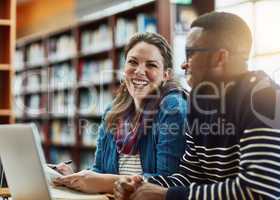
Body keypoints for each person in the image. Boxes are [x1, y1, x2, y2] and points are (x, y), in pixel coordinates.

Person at [114, 12, 280, 200]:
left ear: (220, 57)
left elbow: (257, 193)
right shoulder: (199, 103)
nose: (183, 64)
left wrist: (165, 194)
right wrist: (139, 184)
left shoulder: (265, 98)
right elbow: (189, 178)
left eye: (190, 53)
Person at [53, 32, 187, 194]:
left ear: (166, 75)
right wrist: (74, 177)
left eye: (151, 65)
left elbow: (168, 182)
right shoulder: (113, 111)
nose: (139, 71)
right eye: (133, 62)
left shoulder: (172, 107)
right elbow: (99, 170)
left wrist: (103, 182)